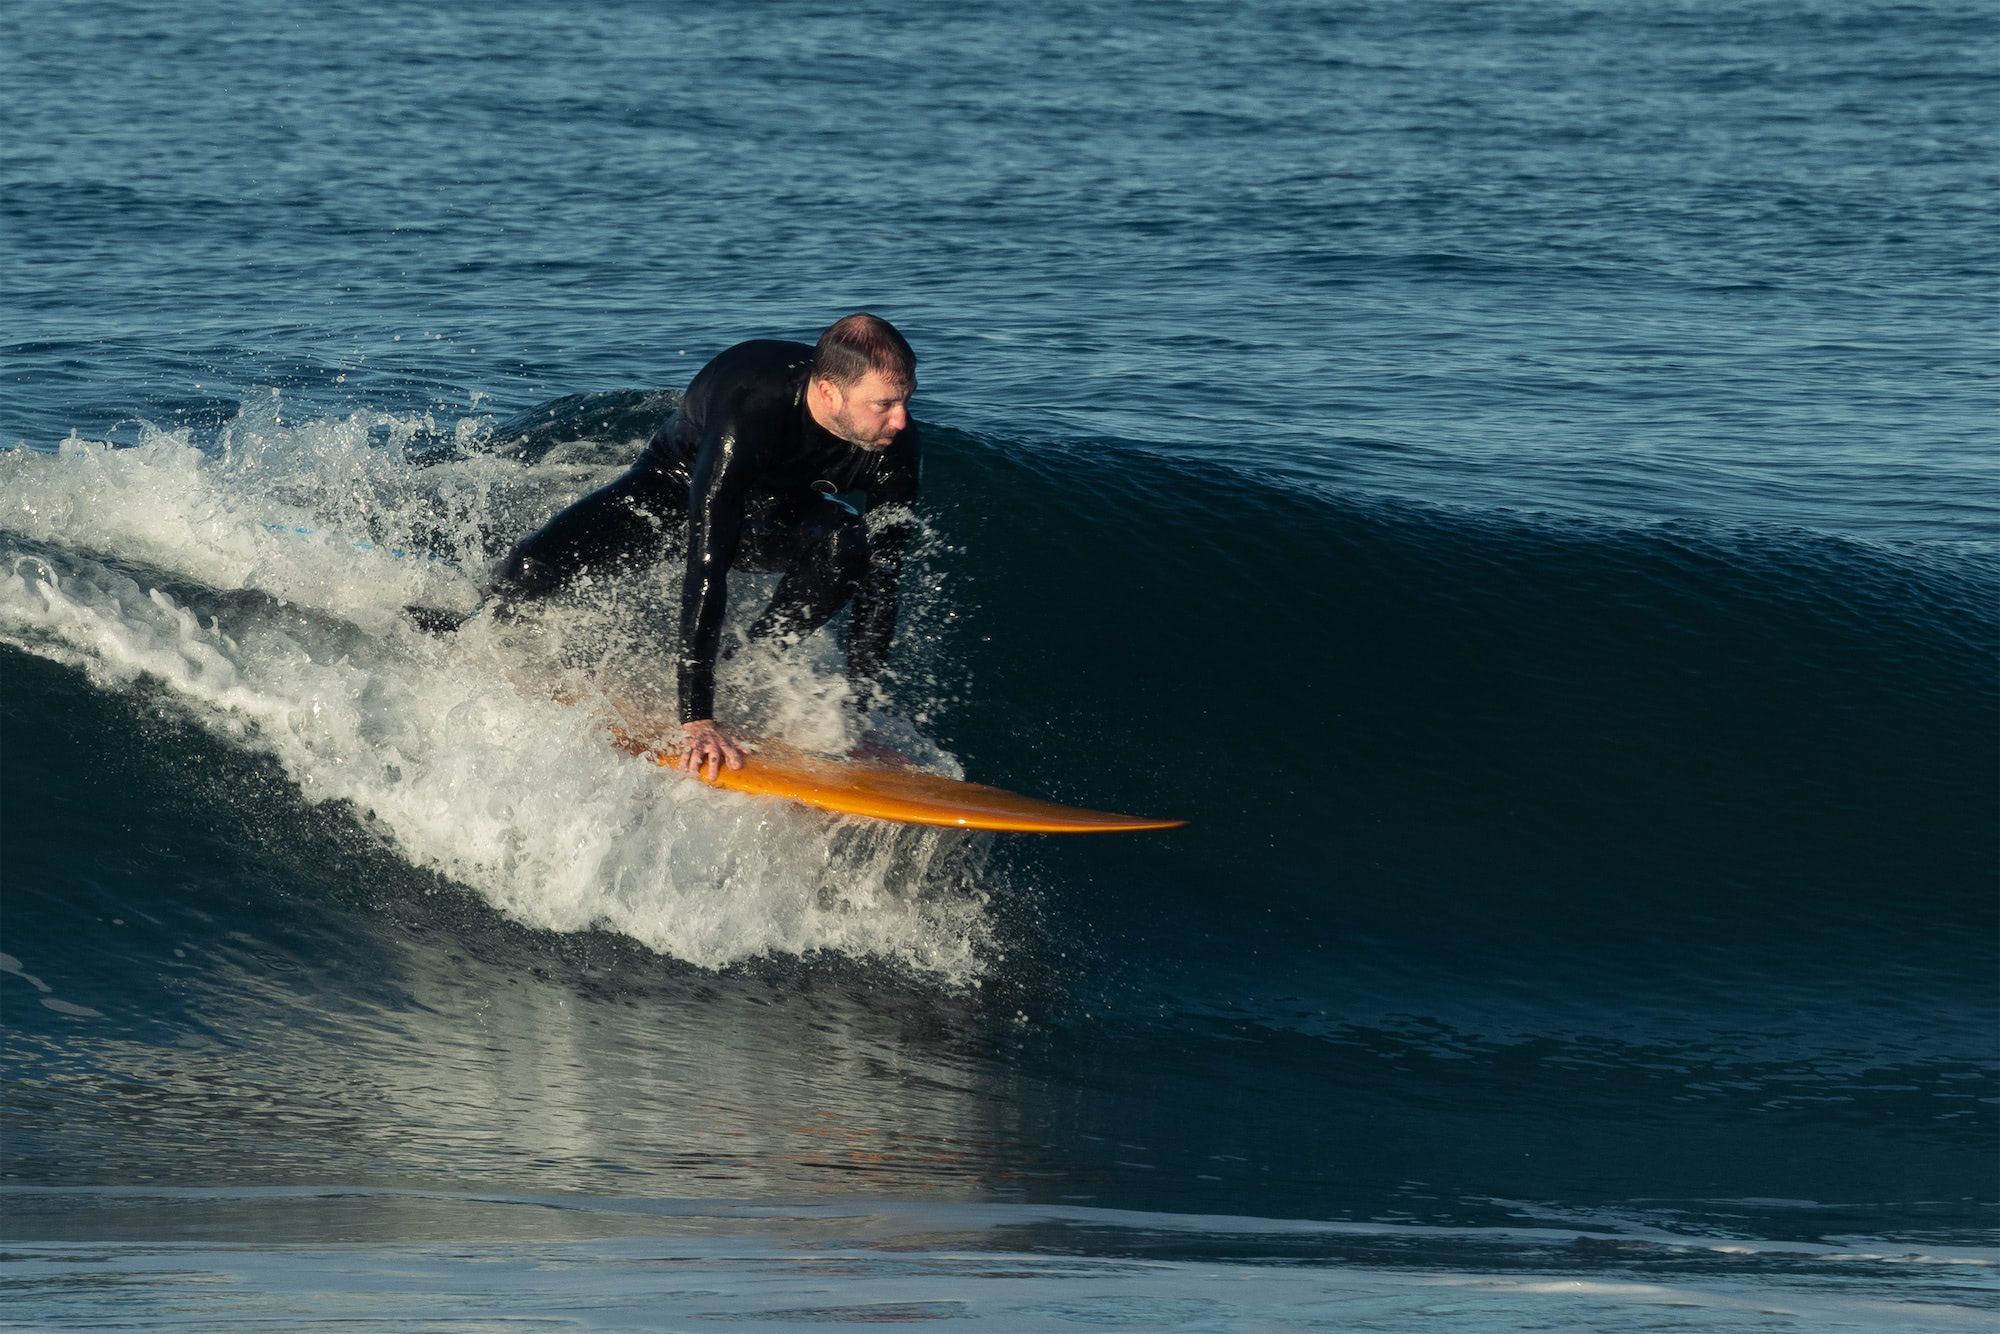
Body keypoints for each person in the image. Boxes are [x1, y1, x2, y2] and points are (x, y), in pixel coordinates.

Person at [488, 313, 921, 780]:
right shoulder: (752, 408)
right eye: (884, 404)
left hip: (779, 513)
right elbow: (708, 566)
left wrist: (856, 723)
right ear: (829, 392)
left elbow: (882, 589)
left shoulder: (894, 446)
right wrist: (696, 719)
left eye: (906, 400)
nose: (901, 419)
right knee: (531, 567)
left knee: (854, 548)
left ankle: (750, 667)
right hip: (672, 491)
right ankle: (480, 640)